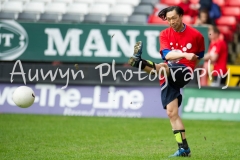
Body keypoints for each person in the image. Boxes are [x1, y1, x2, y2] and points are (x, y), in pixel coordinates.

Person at [128, 6, 205, 157]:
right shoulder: (164, 34)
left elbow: (200, 55)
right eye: (168, 19)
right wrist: (185, 53)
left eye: (174, 18)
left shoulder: (196, 35)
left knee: (162, 67)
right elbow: (167, 55)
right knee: (171, 113)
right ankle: (184, 149)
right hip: (169, 70)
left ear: (181, 16)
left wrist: (192, 60)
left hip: (184, 70)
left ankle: (140, 63)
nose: (171, 22)